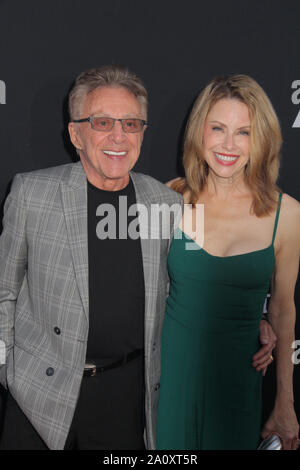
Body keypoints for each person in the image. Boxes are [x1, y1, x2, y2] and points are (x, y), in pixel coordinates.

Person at [0, 66, 275, 450]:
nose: (118, 136)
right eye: (102, 122)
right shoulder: (32, 193)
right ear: (76, 133)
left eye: (131, 123)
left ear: (143, 133)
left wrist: (256, 321)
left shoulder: (165, 202)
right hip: (37, 397)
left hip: (127, 402)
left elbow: (196, 285)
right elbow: (3, 292)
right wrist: (8, 368)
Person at [156, 74, 300, 450]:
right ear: (199, 131)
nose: (228, 144)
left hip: (238, 379)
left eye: (244, 132)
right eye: (217, 128)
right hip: (170, 377)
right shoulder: (172, 199)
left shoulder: (286, 215)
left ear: (261, 139)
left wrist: (285, 402)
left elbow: (284, 309)